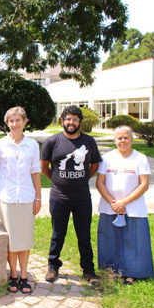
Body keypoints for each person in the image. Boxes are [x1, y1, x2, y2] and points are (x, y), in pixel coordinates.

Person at [40, 105, 102, 285]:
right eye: (68, 119)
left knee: (84, 235)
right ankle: (53, 266)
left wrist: (83, 179)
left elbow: (95, 166)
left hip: (82, 197)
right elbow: (44, 166)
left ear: (79, 122)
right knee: (58, 234)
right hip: (59, 197)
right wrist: (56, 179)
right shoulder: (51, 142)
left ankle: (89, 271)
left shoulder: (89, 142)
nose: (71, 122)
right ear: (62, 121)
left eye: (75, 119)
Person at [0, 107, 42, 294]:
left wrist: (38, 197)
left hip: (27, 197)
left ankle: (24, 276)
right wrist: (6, 182)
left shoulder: (32, 145)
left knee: (25, 238)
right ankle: (13, 274)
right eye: (11, 121)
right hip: (6, 198)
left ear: (25, 122)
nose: (14, 124)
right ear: (7, 123)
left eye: (18, 120)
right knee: (11, 240)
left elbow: (35, 172)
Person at [95, 125, 154, 285]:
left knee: (133, 240)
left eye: (126, 137)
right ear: (115, 140)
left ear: (132, 139)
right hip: (110, 207)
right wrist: (113, 202)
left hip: (134, 208)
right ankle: (112, 270)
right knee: (110, 239)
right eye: (119, 138)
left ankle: (131, 273)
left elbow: (144, 185)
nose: (123, 141)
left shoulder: (140, 158)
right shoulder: (107, 158)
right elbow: (100, 182)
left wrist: (124, 202)